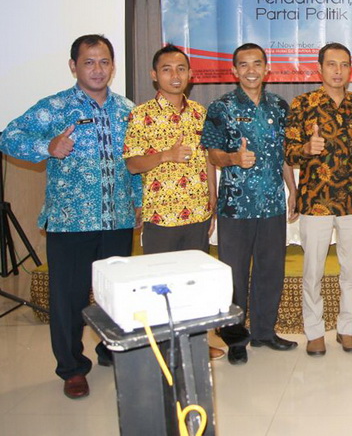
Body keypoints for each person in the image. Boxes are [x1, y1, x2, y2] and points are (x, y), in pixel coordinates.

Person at [0, 34, 142, 399]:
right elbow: (8, 136)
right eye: (89, 62)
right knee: (69, 299)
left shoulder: (127, 109)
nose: (97, 69)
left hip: (117, 220)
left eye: (104, 62)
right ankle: (72, 368)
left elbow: (135, 160)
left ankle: (111, 350)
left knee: (115, 294)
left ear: (113, 66)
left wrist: (139, 201)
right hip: (70, 221)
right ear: (73, 66)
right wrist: (46, 146)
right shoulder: (55, 107)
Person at [123, 44, 224, 360]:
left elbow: (208, 159)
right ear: (154, 75)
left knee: (193, 284)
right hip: (161, 217)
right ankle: (165, 350)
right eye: (167, 69)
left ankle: (195, 345)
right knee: (162, 287)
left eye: (181, 68)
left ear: (190, 74)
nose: (175, 75)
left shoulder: (200, 113)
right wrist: (165, 155)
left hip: (197, 213)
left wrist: (212, 198)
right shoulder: (141, 115)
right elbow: (132, 164)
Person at [201, 43, 299, 365]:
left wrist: (293, 189)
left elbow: (284, 155)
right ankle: (236, 339)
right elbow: (212, 154)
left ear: (267, 68)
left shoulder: (279, 106)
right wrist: (233, 158)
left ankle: (264, 332)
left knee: (271, 270)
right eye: (244, 65)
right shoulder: (221, 107)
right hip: (235, 206)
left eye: (257, 63)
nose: (251, 70)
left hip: (272, 203)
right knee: (235, 274)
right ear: (234, 70)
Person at [284, 43, 352, 356]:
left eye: (344, 65)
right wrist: (305, 149)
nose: (338, 71)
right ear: (320, 68)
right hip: (316, 200)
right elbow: (288, 152)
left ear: (350, 69)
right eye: (332, 64)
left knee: (351, 269)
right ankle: (314, 331)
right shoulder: (303, 104)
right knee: (313, 270)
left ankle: (346, 328)